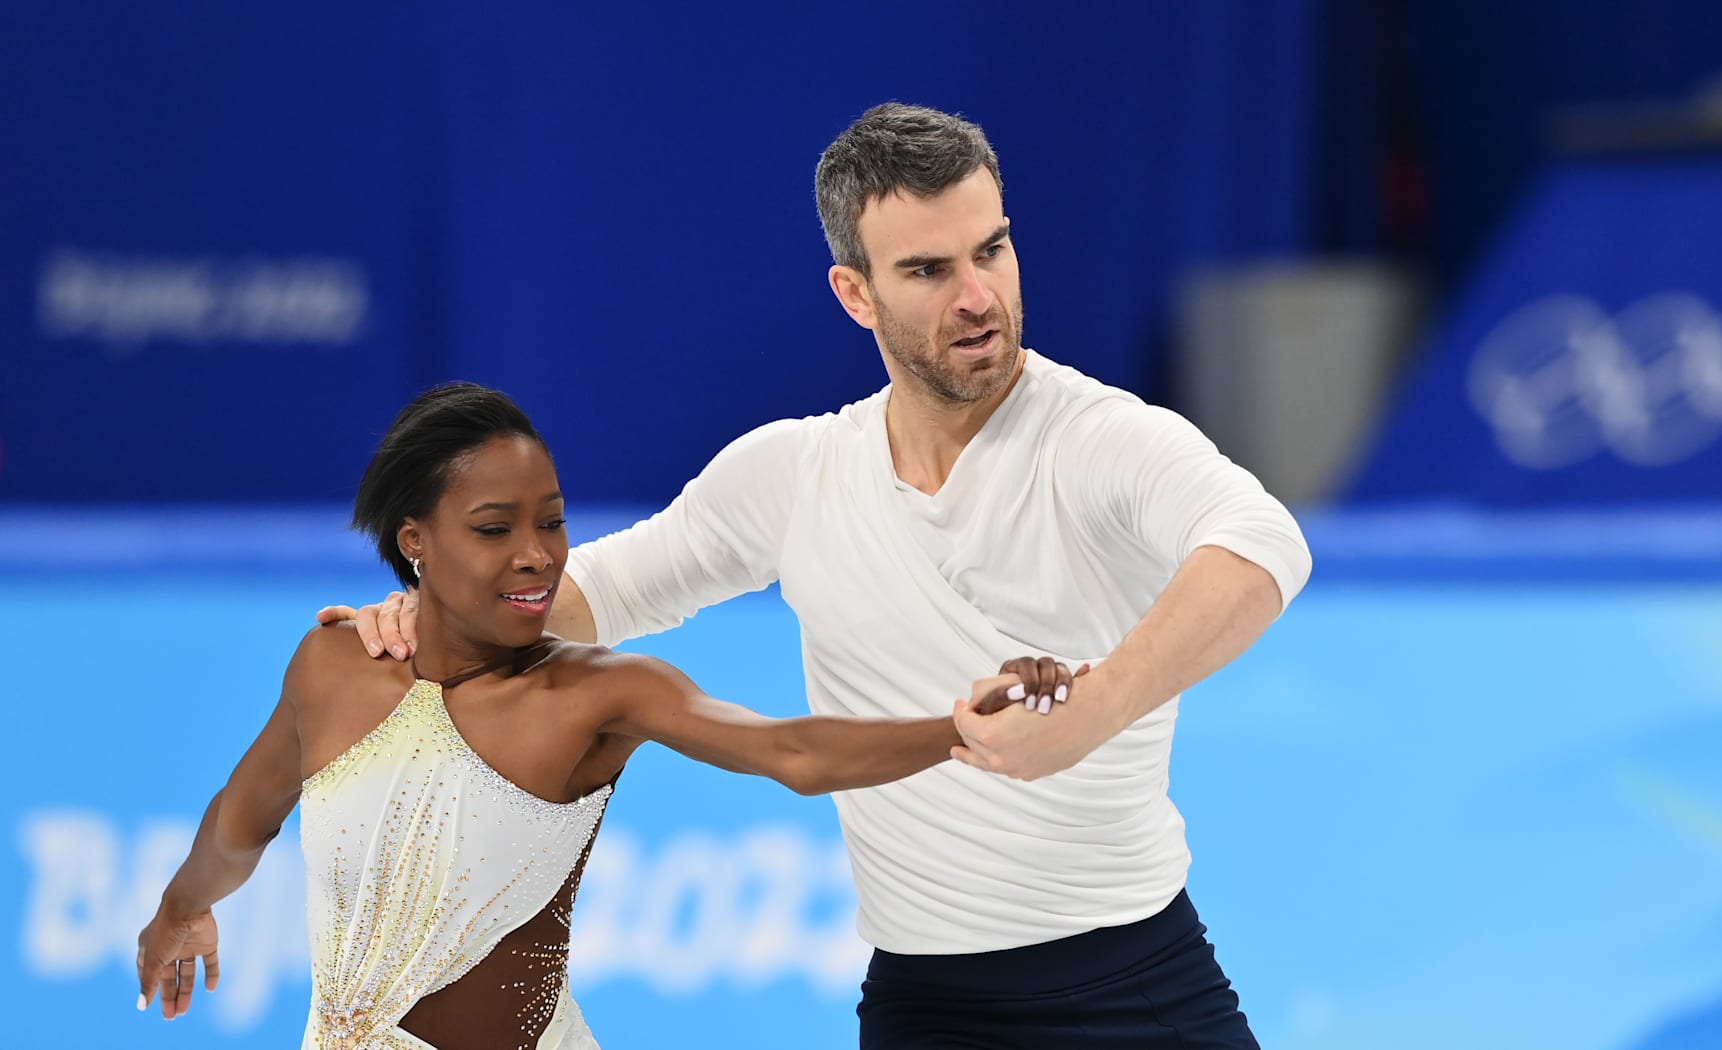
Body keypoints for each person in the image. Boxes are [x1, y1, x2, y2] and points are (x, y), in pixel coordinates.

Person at [329, 104, 1312, 1047]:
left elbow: (1265, 545)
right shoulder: (795, 473)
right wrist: (441, 622)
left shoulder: (1099, 441)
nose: (977, 296)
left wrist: (1098, 708)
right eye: (928, 269)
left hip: (1133, 984)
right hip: (924, 1004)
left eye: (992, 251)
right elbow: (597, 593)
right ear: (856, 293)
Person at [136, 382, 1066, 1049]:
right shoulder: (334, 664)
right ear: (415, 542)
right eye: (496, 529)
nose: (539, 556)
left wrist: (958, 727)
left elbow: (791, 750)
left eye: (553, 521)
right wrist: (181, 909)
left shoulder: (594, 694)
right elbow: (244, 817)